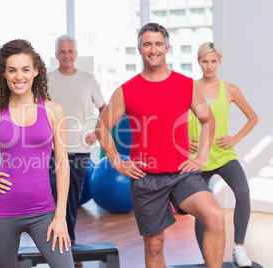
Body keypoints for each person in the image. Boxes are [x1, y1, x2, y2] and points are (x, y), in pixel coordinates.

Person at [94, 23, 225, 267]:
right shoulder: (126, 90)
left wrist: (201, 156)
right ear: (139, 49)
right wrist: (117, 162)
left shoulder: (187, 85)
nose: (152, 49)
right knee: (154, 246)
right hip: (146, 177)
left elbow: (208, 120)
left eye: (157, 44)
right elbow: (101, 127)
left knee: (215, 217)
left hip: (181, 174)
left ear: (166, 47)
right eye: (147, 44)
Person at [0, 39, 74, 268]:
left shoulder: (53, 110)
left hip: (44, 212)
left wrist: (60, 215)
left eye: (25, 69)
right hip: (2, 213)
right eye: (13, 70)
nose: (20, 76)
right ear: (4, 75)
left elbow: (62, 165)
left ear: (36, 71)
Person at [188, 42, 258, 267]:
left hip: (223, 153)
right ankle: (207, 258)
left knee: (243, 192)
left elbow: (253, 117)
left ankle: (239, 249)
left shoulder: (229, 89)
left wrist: (235, 139)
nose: (209, 66)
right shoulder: (189, 88)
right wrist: (180, 139)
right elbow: (171, 117)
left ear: (219, 63)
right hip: (198, 156)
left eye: (213, 61)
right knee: (203, 208)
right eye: (204, 61)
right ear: (199, 62)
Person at [48, 34, 106, 246]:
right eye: (62, 51)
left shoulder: (88, 79)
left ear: (76, 54)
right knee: (54, 198)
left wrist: (98, 132)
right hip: (53, 150)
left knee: (71, 201)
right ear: (56, 55)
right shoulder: (45, 78)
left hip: (80, 150)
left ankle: (67, 242)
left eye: (70, 51)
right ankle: (53, 242)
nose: (66, 55)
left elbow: (105, 109)